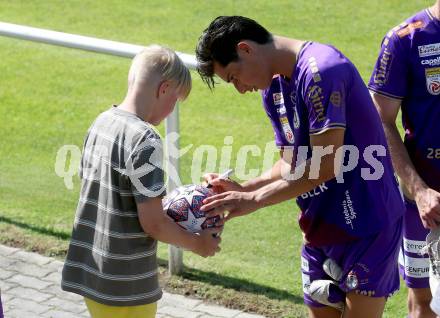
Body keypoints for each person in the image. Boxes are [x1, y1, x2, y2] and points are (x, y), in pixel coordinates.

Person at [196, 16, 404, 318]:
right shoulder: (274, 87)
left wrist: (254, 200)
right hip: (319, 228)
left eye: (233, 77)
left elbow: (326, 165)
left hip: (368, 227)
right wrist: (245, 188)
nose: (240, 89)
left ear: (246, 49)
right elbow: (291, 164)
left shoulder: (323, 71)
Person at [61, 45, 222, 318]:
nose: (172, 110)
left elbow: (109, 195)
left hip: (91, 273)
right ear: (164, 89)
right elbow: (154, 223)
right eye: (175, 101)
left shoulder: (101, 123)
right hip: (126, 285)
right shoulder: (145, 139)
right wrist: (199, 244)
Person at [368, 2, 440, 317]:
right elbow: (380, 120)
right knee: (424, 305)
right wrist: (419, 190)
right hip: (425, 203)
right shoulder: (404, 40)